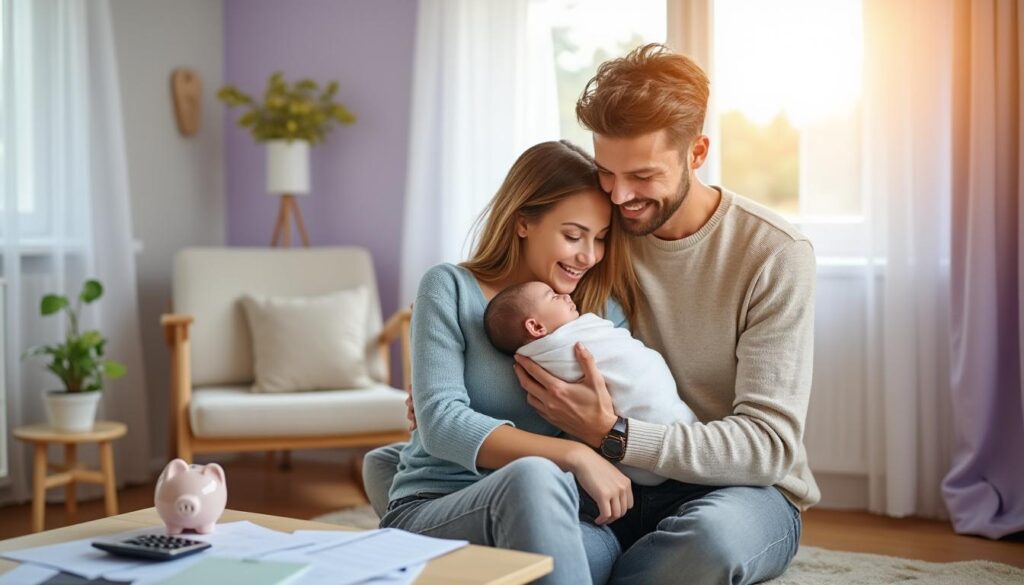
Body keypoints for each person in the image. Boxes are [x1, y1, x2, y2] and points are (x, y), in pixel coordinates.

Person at [367, 43, 818, 585]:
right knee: (555, 533)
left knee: (707, 544)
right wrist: (442, 380)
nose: (622, 197)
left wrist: (614, 434)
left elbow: (767, 446)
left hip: (725, 487)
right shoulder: (602, 237)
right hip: (607, 489)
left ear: (696, 154)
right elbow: (499, 306)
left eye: (644, 176)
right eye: (608, 172)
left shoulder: (773, 254)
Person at [375, 139, 642, 585]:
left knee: (582, 552)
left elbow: (626, 417)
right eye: (573, 236)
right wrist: (572, 452)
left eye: (600, 239)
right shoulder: (449, 288)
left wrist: (599, 435)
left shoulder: (599, 311)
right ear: (523, 223)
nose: (589, 256)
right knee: (533, 479)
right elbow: (440, 423)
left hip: (567, 515)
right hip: (437, 505)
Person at [483, 280, 697, 486]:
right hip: (648, 440)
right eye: (554, 296)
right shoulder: (558, 352)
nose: (566, 296)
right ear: (536, 327)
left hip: (647, 446)